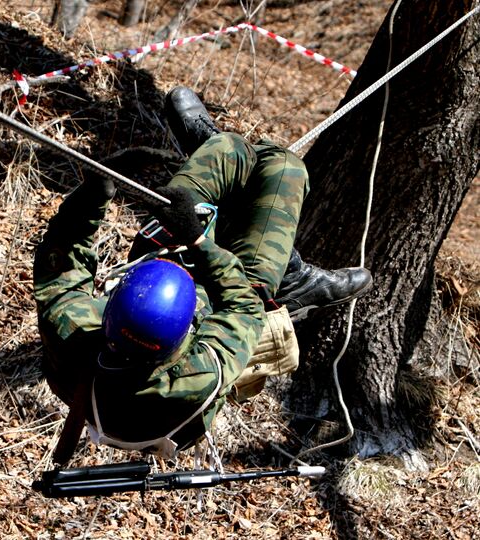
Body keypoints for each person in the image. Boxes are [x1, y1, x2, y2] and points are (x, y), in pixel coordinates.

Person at [33, 87, 372, 464]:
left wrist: (94, 191)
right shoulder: (195, 373)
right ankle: (289, 277)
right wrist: (197, 241)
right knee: (284, 168)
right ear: (184, 338)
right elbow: (242, 305)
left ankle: (219, 150)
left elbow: (62, 260)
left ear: (111, 306)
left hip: (167, 261)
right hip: (230, 292)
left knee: (229, 151)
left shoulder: (71, 331)